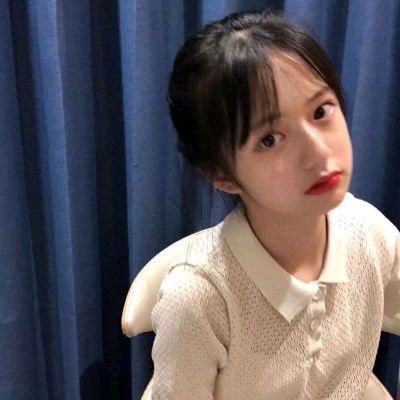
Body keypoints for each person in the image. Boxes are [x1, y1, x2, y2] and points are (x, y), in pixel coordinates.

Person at [149, 9, 400, 399]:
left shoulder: (368, 231)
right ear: (222, 174)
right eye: (269, 139)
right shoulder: (198, 298)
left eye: (321, 111)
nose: (318, 152)